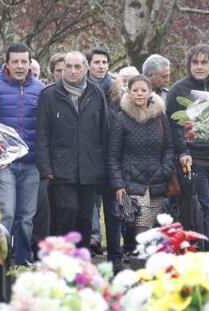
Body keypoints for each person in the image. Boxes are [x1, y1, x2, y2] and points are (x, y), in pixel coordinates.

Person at [36, 50, 108, 249]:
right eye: (69, 66)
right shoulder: (49, 94)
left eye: (78, 67)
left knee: (85, 215)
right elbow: (42, 134)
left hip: (90, 166)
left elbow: (104, 131)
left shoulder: (96, 93)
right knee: (67, 210)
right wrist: (46, 168)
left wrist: (104, 165)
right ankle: (63, 254)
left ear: (86, 68)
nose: (73, 71)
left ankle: (82, 255)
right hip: (61, 167)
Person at [0, 42, 44, 266]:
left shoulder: (40, 88)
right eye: (15, 61)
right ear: (7, 63)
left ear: (30, 63)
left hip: (31, 163)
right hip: (4, 165)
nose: (20, 66)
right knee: (7, 213)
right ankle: (1, 258)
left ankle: (22, 259)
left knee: (26, 217)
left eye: (24, 62)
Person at [166, 44, 209, 254]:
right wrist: (183, 152)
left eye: (204, 62)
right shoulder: (178, 90)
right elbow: (173, 127)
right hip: (193, 158)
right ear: (189, 65)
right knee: (204, 205)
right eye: (195, 62)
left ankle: (195, 249)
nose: (199, 66)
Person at [108, 74, 174, 241]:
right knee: (142, 225)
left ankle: (140, 258)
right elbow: (113, 155)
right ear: (128, 93)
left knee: (152, 229)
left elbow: (169, 147)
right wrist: (119, 184)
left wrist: (165, 170)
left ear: (150, 93)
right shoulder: (121, 118)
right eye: (135, 90)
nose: (139, 93)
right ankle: (141, 262)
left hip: (157, 182)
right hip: (132, 183)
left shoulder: (160, 117)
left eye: (143, 90)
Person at [86, 47, 123, 270]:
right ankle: (85, 254)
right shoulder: (82, 89)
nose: (101, 66)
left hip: (112, 159)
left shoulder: (117, 92)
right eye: (97, 62)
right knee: (86, 211)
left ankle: (116, 257)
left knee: (113, 212)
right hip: (89, 159)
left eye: (104, 62)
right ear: (89, 65)